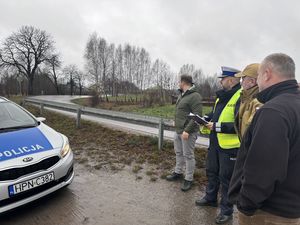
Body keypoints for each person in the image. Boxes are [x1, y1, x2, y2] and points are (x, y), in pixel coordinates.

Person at [229, 53, 300, 225]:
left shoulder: (273, 111)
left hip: (268, 212)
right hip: (292, 206)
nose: (258, 81)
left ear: (267, 74)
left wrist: (246, 204)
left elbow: (264, 168)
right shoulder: (294, 105)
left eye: (259, 76)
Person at [195, 67, 241, 224]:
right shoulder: (221, 97)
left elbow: (240, 124)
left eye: (222, 79)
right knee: (212, 172)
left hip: (230, 147)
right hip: (215, 143)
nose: (220, 82)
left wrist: (217, 127)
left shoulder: (240, 96)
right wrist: (203, 118)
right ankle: (210, 198)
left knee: (227, 179)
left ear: (231, 80)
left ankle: (227, 212)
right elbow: (214, 114)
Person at [166, 74, 202, 192]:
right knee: (178, 153)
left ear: (184, 82)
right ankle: (178, 172)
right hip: (178, 130)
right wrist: (175, 121)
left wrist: (187, 130)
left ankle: (189, 179)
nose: (178, 84)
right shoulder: (181, 95)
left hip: (188, 132)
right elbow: (180, 111)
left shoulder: (195, 96)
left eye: (179, 82)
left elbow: (197, 116)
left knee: (188, 155)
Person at [235, 63, 263, 139]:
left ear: (252, 81)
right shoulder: (247, 98)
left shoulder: (259, 103)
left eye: (243, 78)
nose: (241, 82)